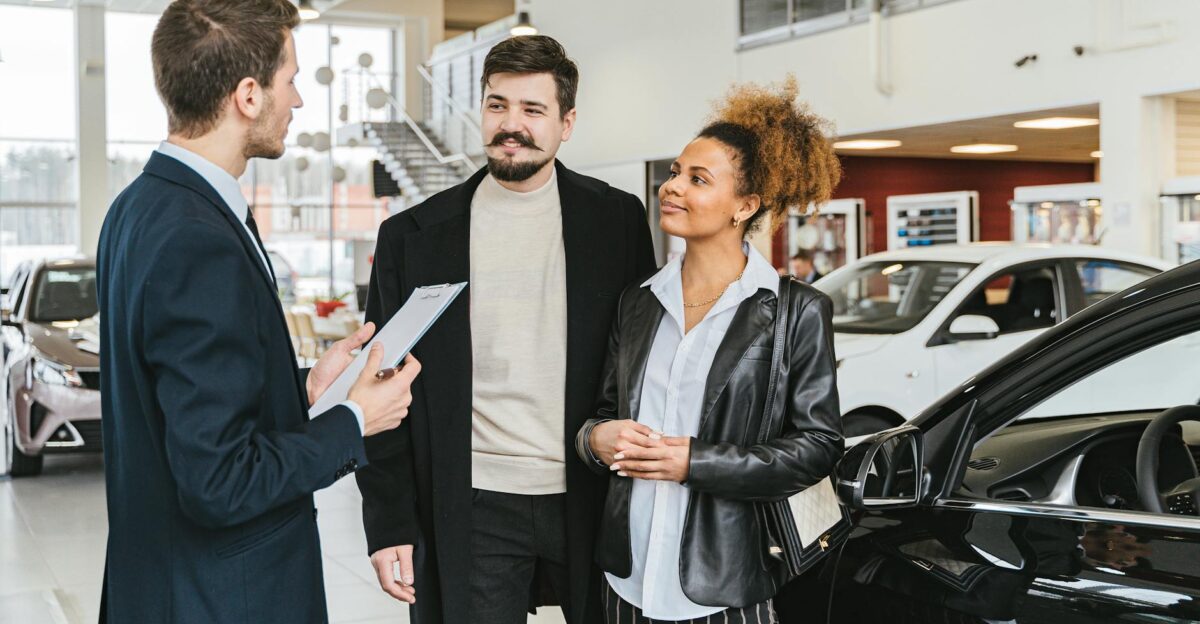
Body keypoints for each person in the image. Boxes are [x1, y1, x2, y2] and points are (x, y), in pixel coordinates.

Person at [95, 1, 420, 621]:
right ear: (248, 94)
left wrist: (306, 392)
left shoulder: (137, 206)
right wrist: (352, 421)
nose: (296, 100)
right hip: (221, 598)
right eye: (290, 79)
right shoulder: (197, 236)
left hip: (162, 584)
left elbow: (183, 409)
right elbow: (218, 481)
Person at [355, 35, 656, 624]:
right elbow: (380, 388)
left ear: (566, 123)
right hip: (471, 501)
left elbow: (643, 359)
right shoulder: (414, 237)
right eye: (497, 106)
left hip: (590, 490)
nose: (510, 125)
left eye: (532, 110)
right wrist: (387, 521)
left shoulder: (617, 220)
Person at [576, 76, 844, 623]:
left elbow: (817, 446)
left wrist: (694, 461)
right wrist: (595, 438)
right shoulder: (639, 302)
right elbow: (603, 415)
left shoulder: (797, 310)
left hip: (724, 582)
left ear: (744, 205)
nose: (673, 187)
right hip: (624, 577)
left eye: (698, 179)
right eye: (675, 173)